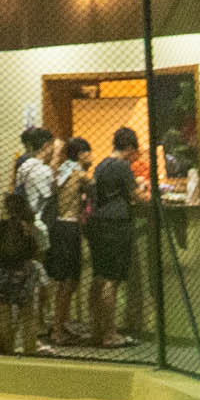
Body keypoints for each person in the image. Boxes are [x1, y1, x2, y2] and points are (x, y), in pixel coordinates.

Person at [87, 126, 147, 347]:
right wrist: (149, 194)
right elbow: (136, 196)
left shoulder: (101, 165)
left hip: (98, 223)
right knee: (111, 280)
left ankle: (96, 329)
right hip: (116, 224)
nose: (134, 158)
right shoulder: (122, 166)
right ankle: (110, 333)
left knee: (99, 276)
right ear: (129, 148)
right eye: (134, 153)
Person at [0, 189, 44, 355]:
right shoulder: (30, 228)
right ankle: (30, 350)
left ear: (6, 209)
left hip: (2, 272)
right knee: (27, 315)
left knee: (3, 312)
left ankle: (6, 349)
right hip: (24, 272)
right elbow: (39, 251)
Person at [46, 135, 91, 345]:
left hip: (59, 227)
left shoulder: (62, 170)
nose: (92, 158)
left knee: (65, 280)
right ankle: (57, 330)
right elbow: (98, 186)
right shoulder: (79, 174)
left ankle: (60, 324)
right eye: (89, 153)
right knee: (68, 281)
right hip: (70, 227)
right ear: (81, 154)